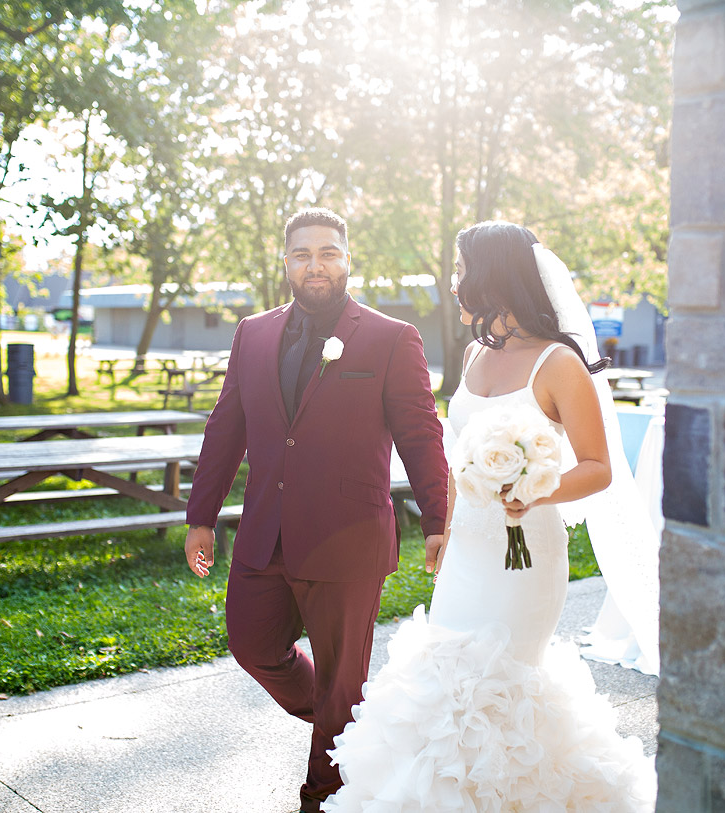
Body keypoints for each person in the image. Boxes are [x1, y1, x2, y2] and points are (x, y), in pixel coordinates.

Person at [323, 221, 657, 812]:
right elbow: (459, 459)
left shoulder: (558, 364)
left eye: (460, 269)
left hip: (526, 556)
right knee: (444, 686)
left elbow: (599, 466)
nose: (453, 282)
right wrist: (443, 530)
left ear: (493, 275)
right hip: (469, 552)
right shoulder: (477, 354)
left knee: (498, 690)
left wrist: (534, 488)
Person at [183, 208, 449, 813]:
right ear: (286, 263)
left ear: (348, 259)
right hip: (264, 536)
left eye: (328, 252)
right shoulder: (252, 332)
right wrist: (202, 516)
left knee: (340, 683)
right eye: (303, 254)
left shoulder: (389, 338)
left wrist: (437, 520)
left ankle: (322, 796)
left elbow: (419, 433)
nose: (316, 265)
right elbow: (227, 426)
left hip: (346, 537)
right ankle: (355, 723)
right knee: (253, 645)